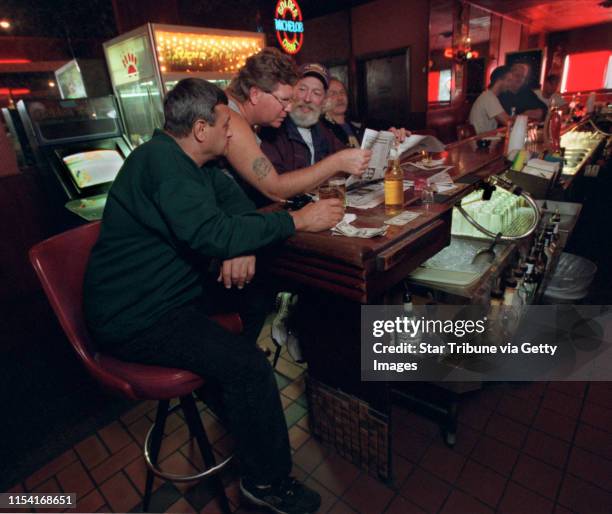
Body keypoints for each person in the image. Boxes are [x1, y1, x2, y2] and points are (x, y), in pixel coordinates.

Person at [83, 78, 343, 514]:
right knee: (248, 368)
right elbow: (213, 232)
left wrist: (236, 244)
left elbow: (236, 216)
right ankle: (265, 486)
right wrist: (298, 221)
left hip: (171, 294)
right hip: (136, 314)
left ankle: (234, 396)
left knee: (259, 291)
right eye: (226, 125)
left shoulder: (199, 165)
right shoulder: (161, 164)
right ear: (201, 128)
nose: (231, 133)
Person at [222, 48, 372, 206]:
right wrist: (336, 162)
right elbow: (275, 189)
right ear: (255, 94)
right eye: (284, 100)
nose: (288, 108)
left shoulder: (236, 115)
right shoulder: (231, 119)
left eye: (316, 92)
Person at [468, 65, 513, 134]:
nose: (510, 84)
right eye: (509, 80)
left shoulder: (489, 95)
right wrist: (523, 119)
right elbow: (507, 121)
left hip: (486, 138)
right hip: (481, 141)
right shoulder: (488, 97)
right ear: (499, 80)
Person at [321, 77, 364, 148]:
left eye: (342, 92)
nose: (340, 98)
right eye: (333, 94)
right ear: (323, 100)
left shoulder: (357, 126)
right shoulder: (321, 129)